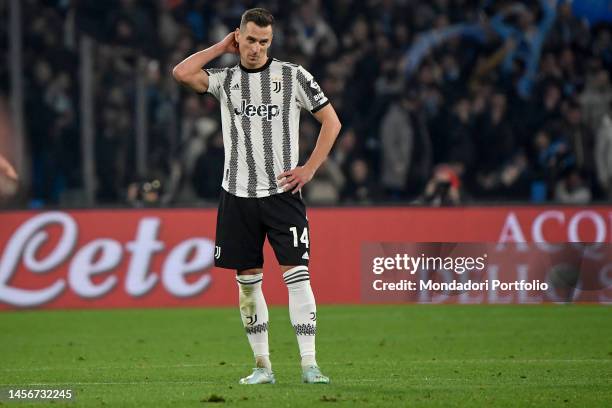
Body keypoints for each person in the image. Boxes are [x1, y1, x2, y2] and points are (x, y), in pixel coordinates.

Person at [172, 8, 341, 385]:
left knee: (298, 278)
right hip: (237, 196)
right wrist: (221, 47)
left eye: (264, 42)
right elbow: (181, 73)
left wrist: (310, 168)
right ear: (239, 37)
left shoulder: (293, 75)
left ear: (271, 41)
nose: (256, 48)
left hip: (283, 195)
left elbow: (331, 121)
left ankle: (310, 364)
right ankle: (262, 367)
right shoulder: (226, 78)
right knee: (248, 284)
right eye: (250, 40)